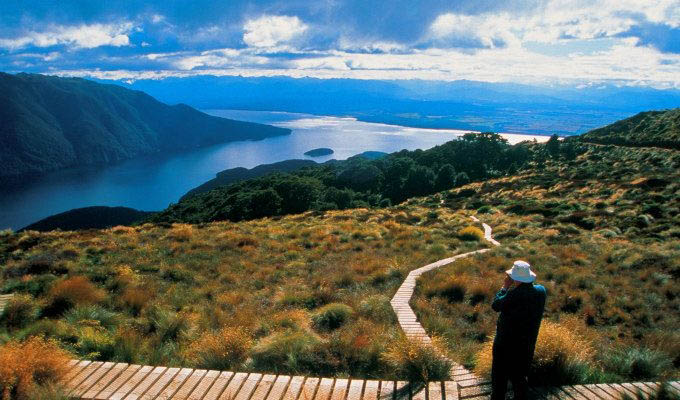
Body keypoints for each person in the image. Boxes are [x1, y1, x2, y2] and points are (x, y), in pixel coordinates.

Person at [490, 260, 547, 400]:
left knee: (499, 381)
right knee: (520, 380)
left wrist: (504, 287)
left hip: (505, 345)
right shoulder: (541, 292)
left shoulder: (513, 295)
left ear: (515, 278)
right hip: (526, 346)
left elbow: (496, 305)